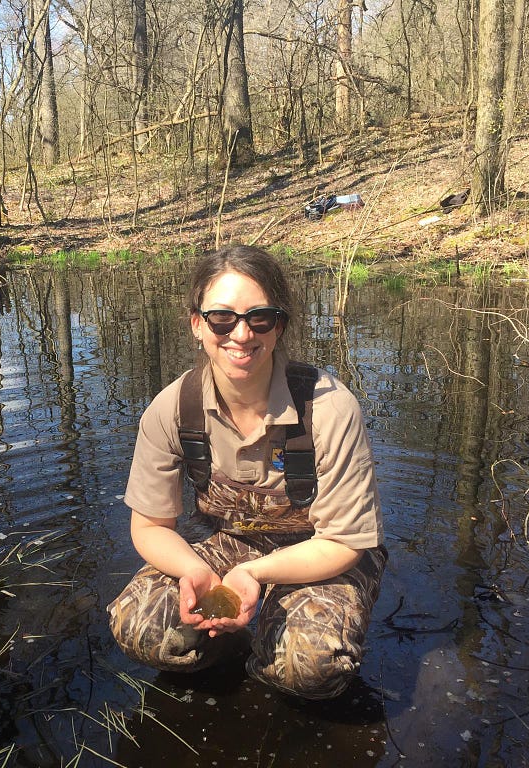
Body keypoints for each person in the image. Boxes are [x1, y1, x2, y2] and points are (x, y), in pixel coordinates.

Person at [107, 244, 386, 699]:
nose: (241, 333)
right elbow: (150, 526)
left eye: (260, 318)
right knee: (141, 627)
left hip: (324, 555)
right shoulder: (171, 409)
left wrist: (255, 575)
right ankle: (233, 644)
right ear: (197, 324)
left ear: (279, 327)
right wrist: (193, 570)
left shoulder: (330, 408)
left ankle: (272, 654)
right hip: (229, 544)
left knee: (309, 667)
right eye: (222, 318)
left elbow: (345, 542)